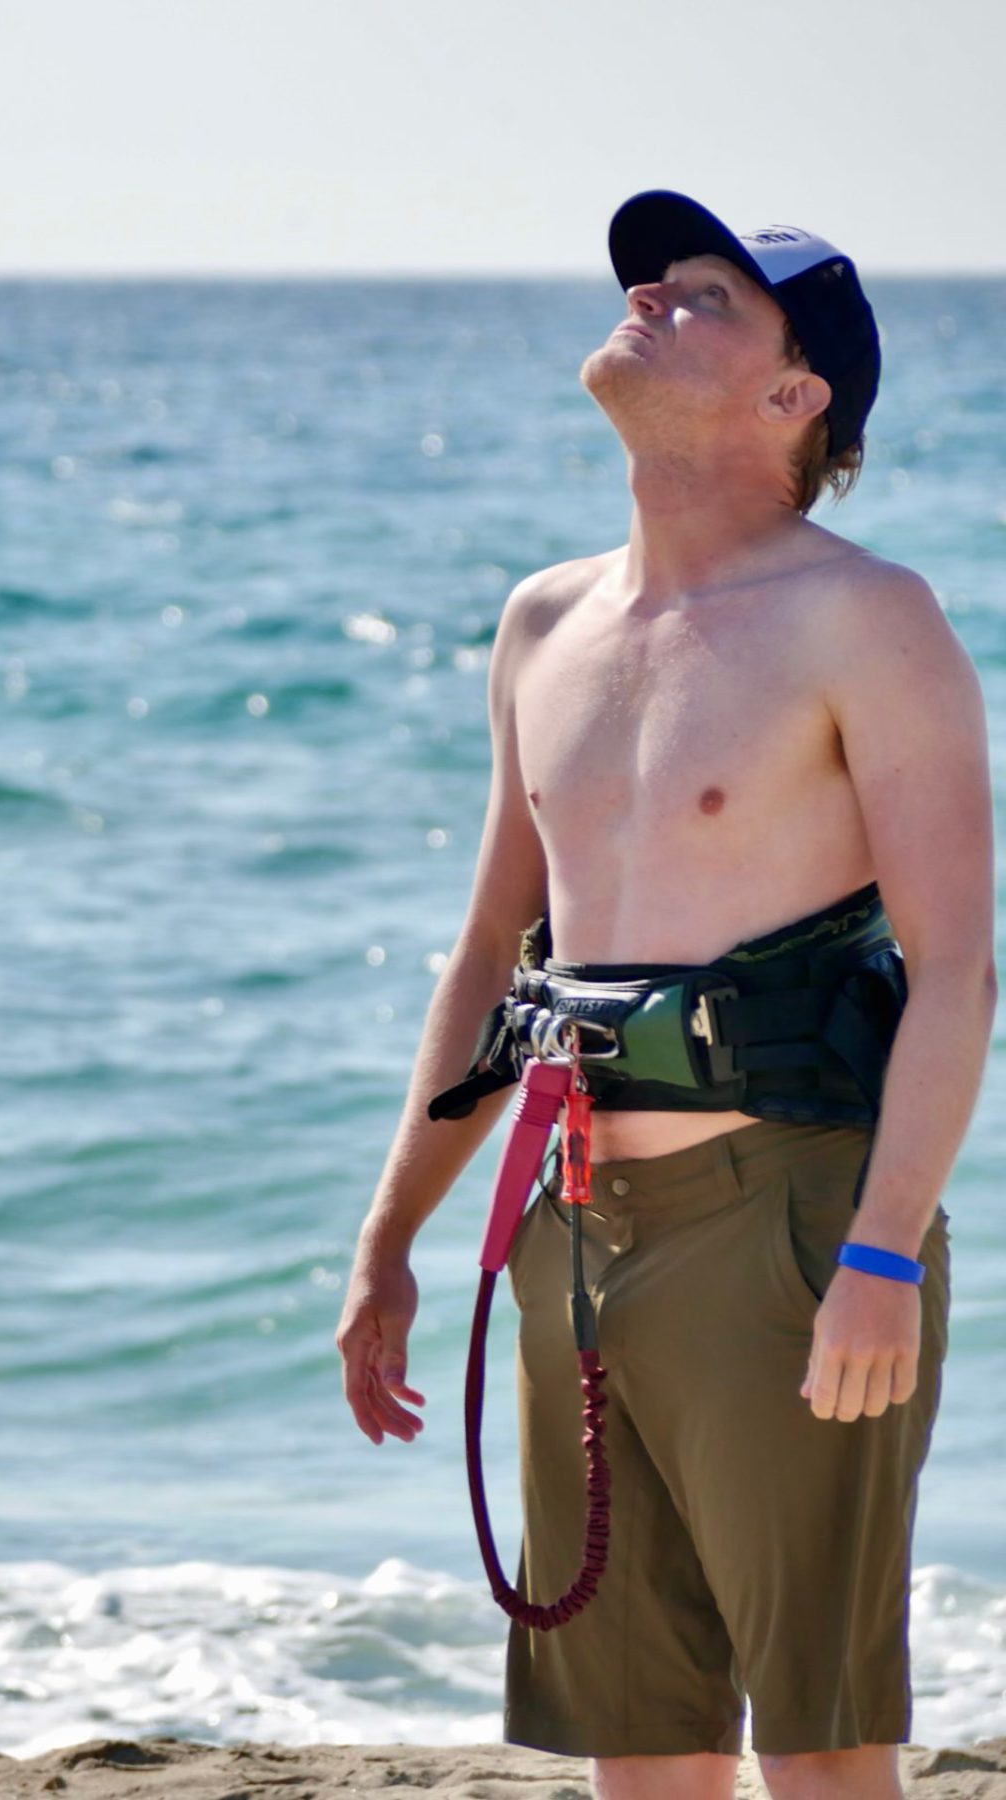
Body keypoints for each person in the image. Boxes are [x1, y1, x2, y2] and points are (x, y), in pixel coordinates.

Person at [336, 192, 990, 1793]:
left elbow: (963, 968)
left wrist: (882, 1252)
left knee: (824, 1744)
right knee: (641, 1747)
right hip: (567, 1227)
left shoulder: (867, 617)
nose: (650, 291)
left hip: (786, 1220)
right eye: (654, 275)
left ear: (794, 397)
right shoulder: (543, 622)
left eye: (707, 295)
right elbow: (492, 957)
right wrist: (388, 1239)